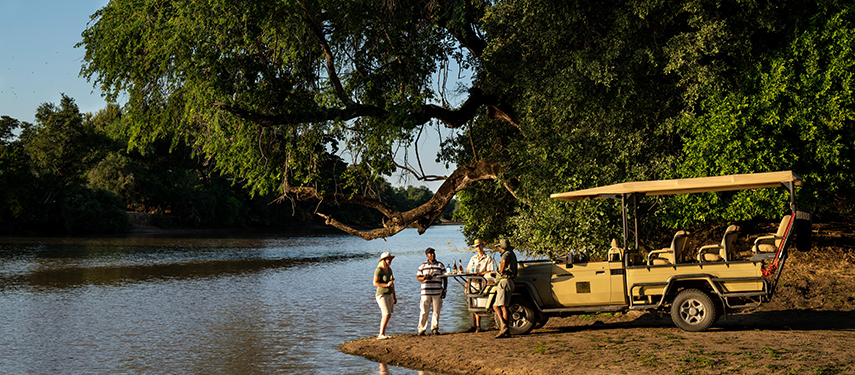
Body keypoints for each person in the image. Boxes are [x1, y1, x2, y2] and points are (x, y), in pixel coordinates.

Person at [465, 238, 495, 333]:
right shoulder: (473, 258)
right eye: (477, 246)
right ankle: (473, 325)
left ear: (483, 246)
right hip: (472, 284)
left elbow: (491, 271)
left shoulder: (488, 258)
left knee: (478, 304)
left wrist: (480, 274)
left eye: (480, 245)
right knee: (471, 304)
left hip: (481, 284)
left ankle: (478, 325)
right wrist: (466, 286)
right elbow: (468, 272)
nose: (479, 247)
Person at [416, 247, 446, 335]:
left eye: (433, 253)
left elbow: (445, 277)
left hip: (437, 291)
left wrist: (445, 289)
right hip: (425, 292)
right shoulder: (423, 265)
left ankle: (434, 328)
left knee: (436, 311)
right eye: (430, 253)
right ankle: (421, 329)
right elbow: (418, 278)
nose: (432, 255)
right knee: (424, 311)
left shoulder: (440, 265)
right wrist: (425, 277)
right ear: (427, 255)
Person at [493, 239, 517, 338]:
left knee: (501, 306)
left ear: (501, 247)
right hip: (509, 282)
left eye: (499, 246)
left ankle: (503, 326)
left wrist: (501, 271)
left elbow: (504, 260)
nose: (498, 248)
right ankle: (505, 330)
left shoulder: (506, 254)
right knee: (501, 306)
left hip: (504, 282)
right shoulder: (512, 254)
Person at [373, 252, 397, 340]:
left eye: (390, 259)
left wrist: (394, 296)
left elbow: (392, 283)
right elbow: (375, 283)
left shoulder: (389, 269)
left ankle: (382, 333)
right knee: (386, 313)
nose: (390, 260)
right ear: (383, 260)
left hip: (390, 293)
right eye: (388, 259)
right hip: (382, 294)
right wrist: (386, 285)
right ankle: (381, 334)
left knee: (388, 314)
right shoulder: (379, 269)